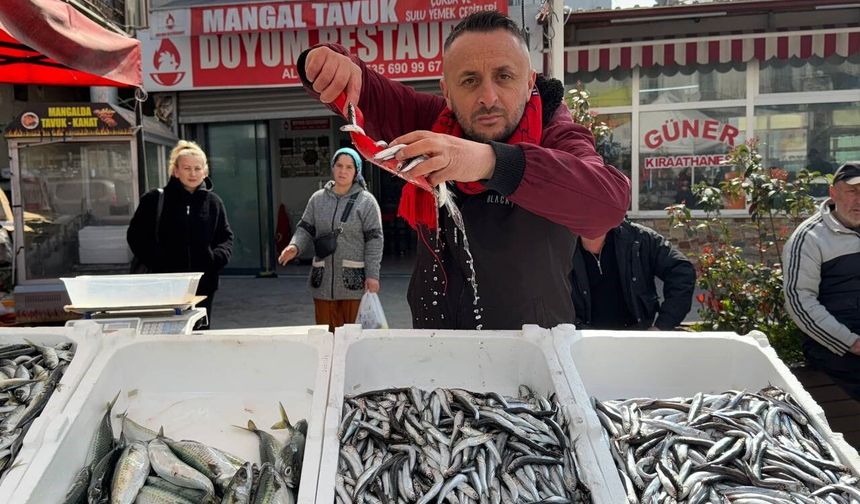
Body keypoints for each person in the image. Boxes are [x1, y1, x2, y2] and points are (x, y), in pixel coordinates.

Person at [296, 11, 630, 329]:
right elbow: (366, 90)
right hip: (436, 344)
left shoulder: (557, 134)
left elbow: (608, 204)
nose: (488, 96)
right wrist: (326, 61)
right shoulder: (434, 122)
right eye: (469, 81)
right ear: (447, 92)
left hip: (530, 351)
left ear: (529, 82)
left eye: (504, 76)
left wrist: (489, 162)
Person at [127, 140, 233, 329]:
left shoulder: (214, 203)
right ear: (175, 171)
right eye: (187, 168)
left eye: (197, 168)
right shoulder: (154, 200)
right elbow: (136, 237)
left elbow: (225, 238)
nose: (193, 173)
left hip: (202, 286)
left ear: (205, 172)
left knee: (199, 335)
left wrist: (214, 259)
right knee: (163, 334)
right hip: (162, 285)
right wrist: (158, 261)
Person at [278, 147, 383, 333]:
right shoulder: (317, 199)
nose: (343, 171)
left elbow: (375, 240)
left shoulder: (367, 202)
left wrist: (373, 275)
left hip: (353, 283)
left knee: (351, 338)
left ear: (356, 171)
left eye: (349, 167)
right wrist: (295, 246)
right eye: (339, 165)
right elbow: (305, 228)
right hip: (323, 283)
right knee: (326, 336)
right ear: (333, 168)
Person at [783, 162, 860, 400]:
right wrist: (853, 342)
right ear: (833, 193)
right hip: (835, 345)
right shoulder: (810, 237)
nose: (859, 200)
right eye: (852, 191)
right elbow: (799, 301)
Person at [571, 220, 695, 330]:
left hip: (637, 340)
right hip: (582, 343)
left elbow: (681, 270)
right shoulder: (558, 246)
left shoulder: (638, 238)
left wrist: (662, 325)